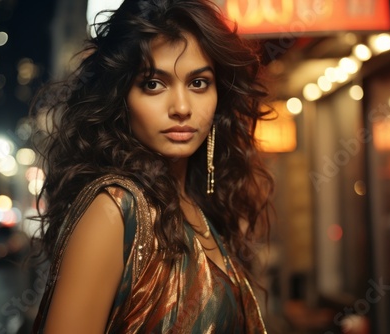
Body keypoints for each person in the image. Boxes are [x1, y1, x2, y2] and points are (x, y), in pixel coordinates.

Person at [31, 0, 274, 332]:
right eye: (153, 84)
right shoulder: (115, 211)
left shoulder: (199, 204)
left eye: (198, 83)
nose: (182, 107)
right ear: (120, 97)